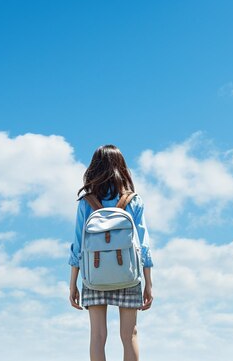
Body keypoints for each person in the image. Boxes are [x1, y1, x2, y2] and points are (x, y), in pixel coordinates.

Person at [68, 144, 154, 361]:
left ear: (94, 168)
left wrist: (73, 284)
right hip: (128, 274)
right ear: (122, 167)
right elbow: (143, 245)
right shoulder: (133, 200)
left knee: (97, 336)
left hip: (93, 276)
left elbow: (77, 246)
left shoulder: (86, 202)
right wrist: (148, 283)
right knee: (130, 335)